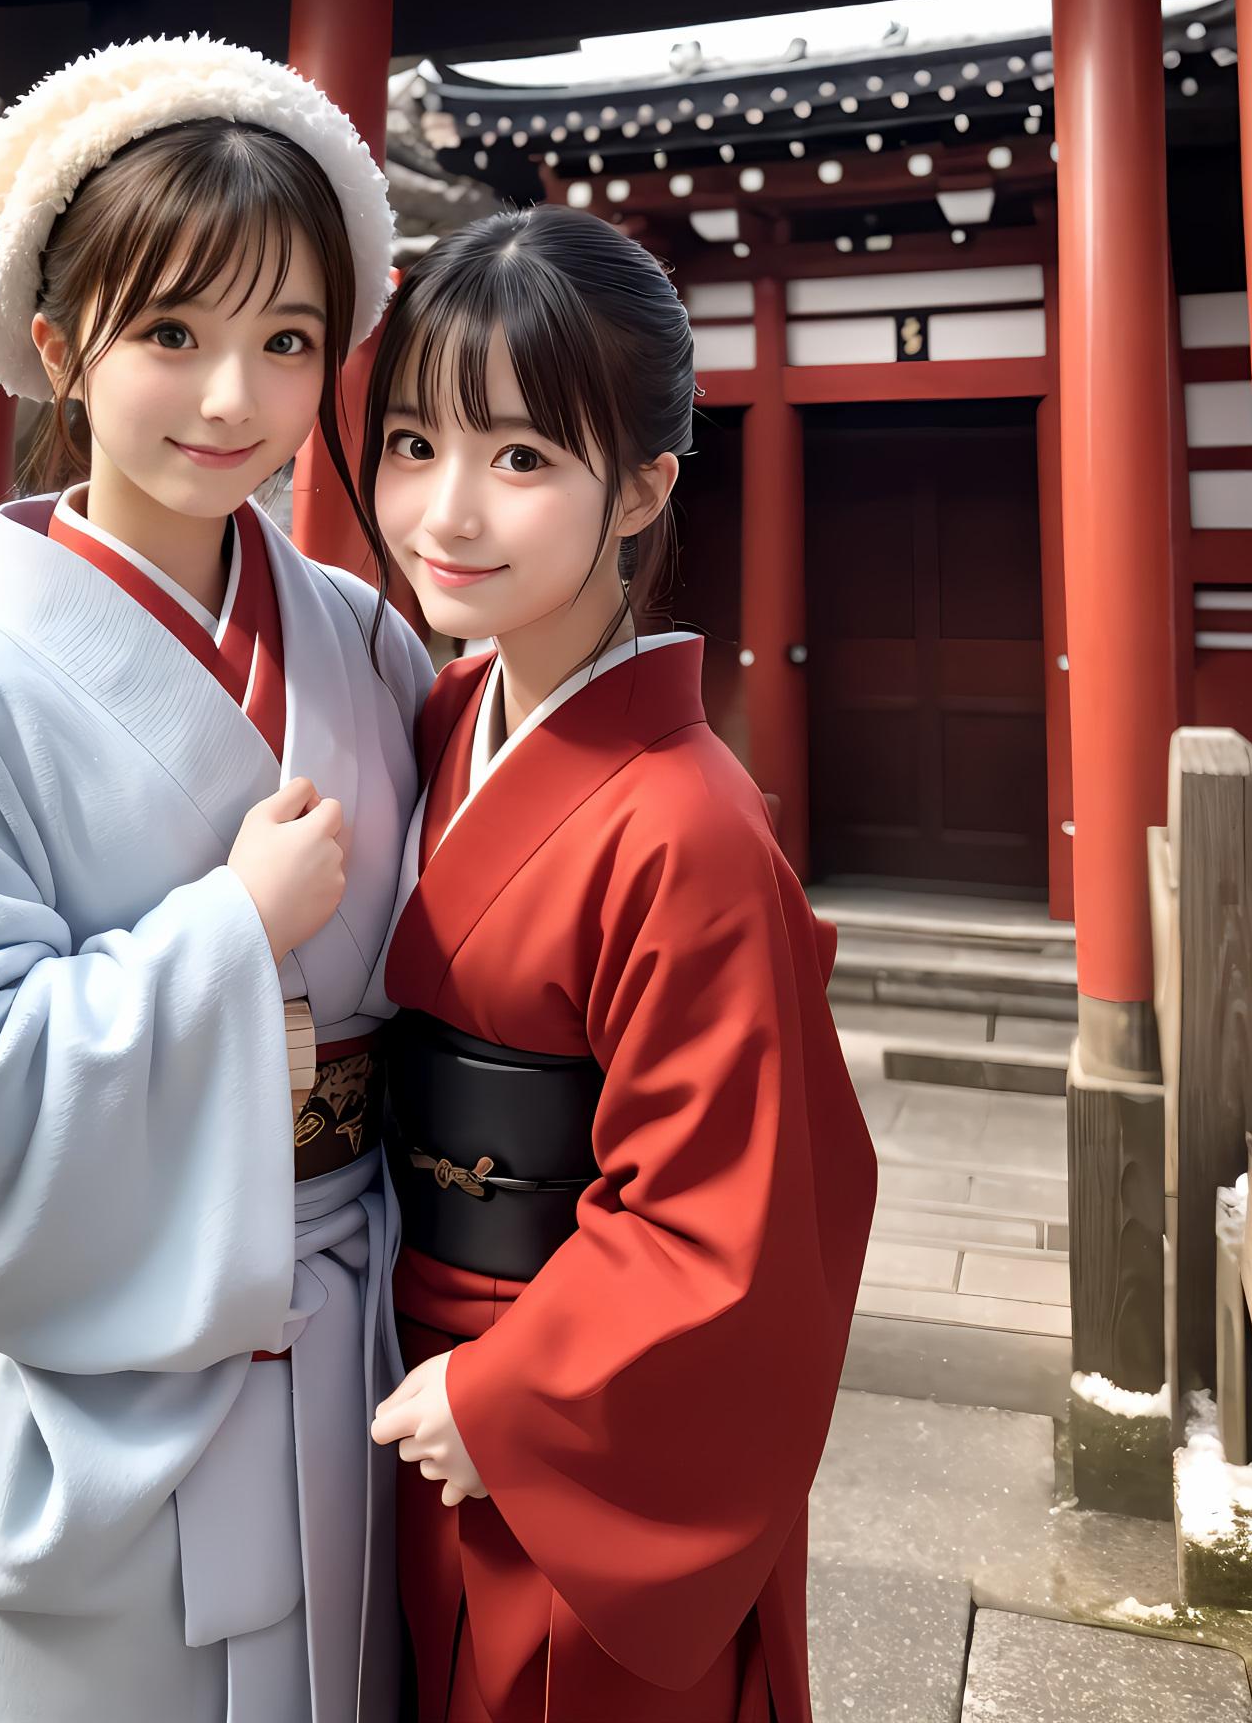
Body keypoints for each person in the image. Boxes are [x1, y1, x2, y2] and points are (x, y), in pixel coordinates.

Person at [0, 37, 430, 1723]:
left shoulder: (364, 638)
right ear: (59, 348)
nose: (233, 400)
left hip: (348, 1317)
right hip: (100, 1360)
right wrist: (230, 933)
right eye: (171, 334)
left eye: (286, 342)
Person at [362, 204, 878, 1723]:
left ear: (646, 484)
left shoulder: (688, 826)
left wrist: (509, 1397)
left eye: (522, 458)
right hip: (412, 1367)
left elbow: (730, 1218)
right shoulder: (447, 718)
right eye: (413, 444)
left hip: (564, 1423)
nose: (447, 510)